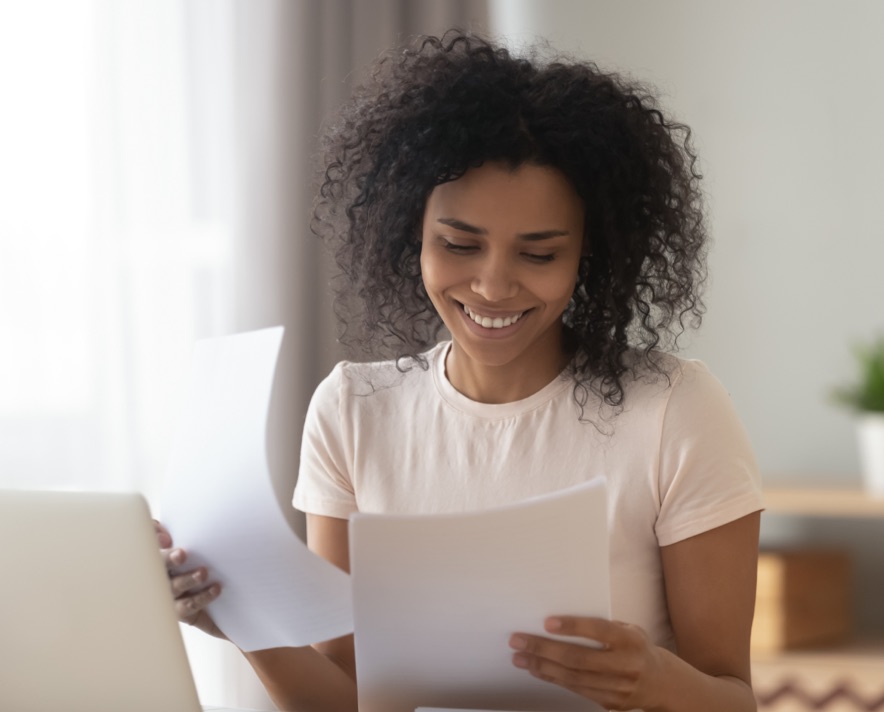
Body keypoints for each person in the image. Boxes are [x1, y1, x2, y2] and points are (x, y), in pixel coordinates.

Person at [159, 30, 764, 712]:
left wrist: (651, 680)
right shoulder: (354, 410)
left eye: (539, 254)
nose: (493, 286)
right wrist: (243, 620)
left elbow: (734, 698)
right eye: (458, 244)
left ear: (589, 256)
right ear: (408, 233)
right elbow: (344, 699)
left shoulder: (673, 413)